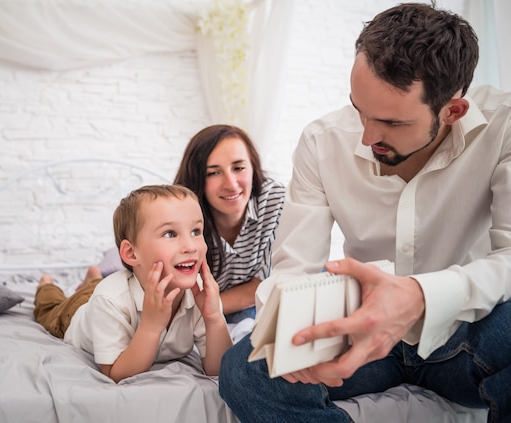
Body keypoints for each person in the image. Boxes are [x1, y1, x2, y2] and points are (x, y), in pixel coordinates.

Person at [218, 3, 511, 422]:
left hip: (465, 328)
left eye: (391, 122)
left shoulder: (504, 126)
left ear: (452, 110)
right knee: (245, 372)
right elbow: (293, 268)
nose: (367, 135)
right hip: (362, 332)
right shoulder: (322, 142)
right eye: (359, 109)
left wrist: (421, 296)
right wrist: (287, 335)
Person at [34, 184, 232, 383]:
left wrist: (214, 317)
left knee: (95, 287)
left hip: (108, 289)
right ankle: (47, 284)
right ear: (131, 253)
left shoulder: (201, 294)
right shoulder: (109, 300)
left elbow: (219, 369)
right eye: (170, 234)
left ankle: (93, 278)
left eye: (196, 231)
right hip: (76, 311)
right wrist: (151, 327)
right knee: (49, 308)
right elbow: (115, 374)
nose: (190, 246)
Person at [174, 124, 285, 330]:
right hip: (196, 308)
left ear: (253, 167)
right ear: (197, 178)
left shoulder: (275, 200)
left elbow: (268, 283)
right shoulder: (180, 215)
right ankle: (95, 277)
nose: (231, 184)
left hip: (221, 306)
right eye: (214, 172)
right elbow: (179, 297)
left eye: (239, 168)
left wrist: (209, 308)